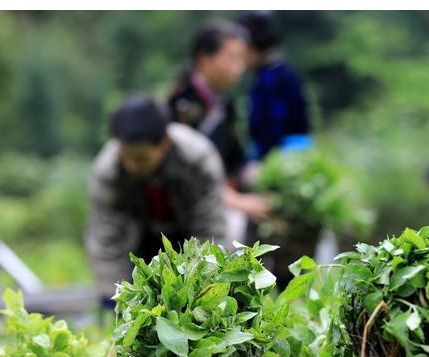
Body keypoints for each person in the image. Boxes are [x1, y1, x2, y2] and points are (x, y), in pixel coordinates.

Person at [85, 95, 226, 313]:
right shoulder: (108, 171)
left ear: (165, 143)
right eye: (126, 156)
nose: (131, 166)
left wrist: (206, 288)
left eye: (140, 158)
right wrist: (113, 297)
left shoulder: (197, 158)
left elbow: (211, 227)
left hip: (188, 235)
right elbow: (106, 240)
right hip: (139, 240)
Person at [168, 19, 270, 229]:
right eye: (232, 58)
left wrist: (262, 175)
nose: (239, 68)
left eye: (242, 59)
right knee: (233, 225)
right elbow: (185, 175)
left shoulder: (224, 103)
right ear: (205, 58)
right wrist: (237, 201)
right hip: (193, 204)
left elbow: (236, 158)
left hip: (224, 192)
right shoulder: (181, 105)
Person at [237, 11, 311, 160]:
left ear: (253, 47)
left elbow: (288, 132)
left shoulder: (278, 79)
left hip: (287, 161)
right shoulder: (267, 77)